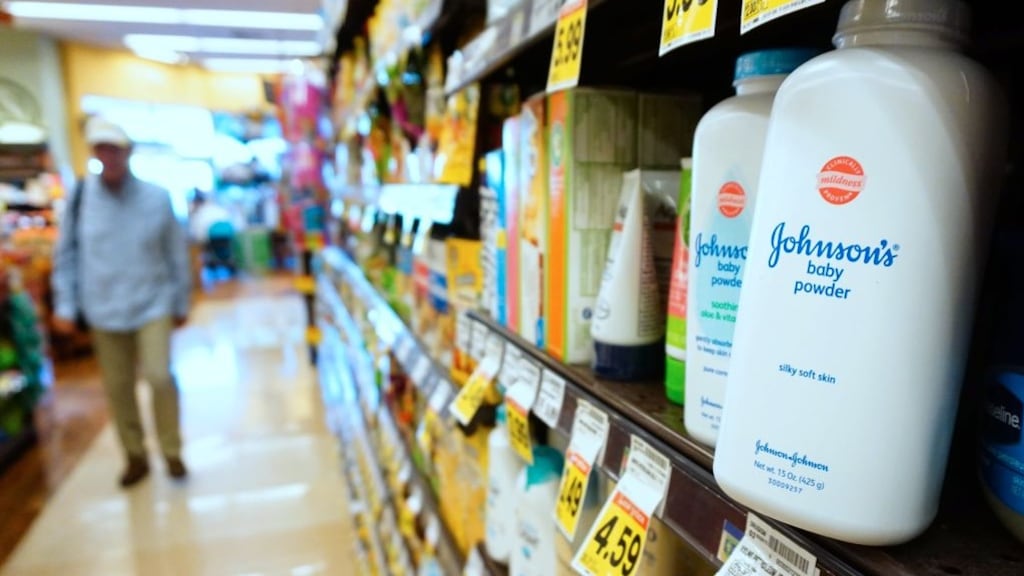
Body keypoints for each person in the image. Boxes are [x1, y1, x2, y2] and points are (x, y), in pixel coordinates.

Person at [52, 117, 191, 488]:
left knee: (160, 377)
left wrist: (181, 300)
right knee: (118, 386)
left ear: (127, 152)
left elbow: (176, 252)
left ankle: (172, 449)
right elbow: (66, 256)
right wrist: (65, 306)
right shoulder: (80, 200)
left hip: (153, 302)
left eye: (114, 149)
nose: (108, 156)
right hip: (102, 307)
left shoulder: (157, 197)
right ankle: (134, 455)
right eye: (101, 149)